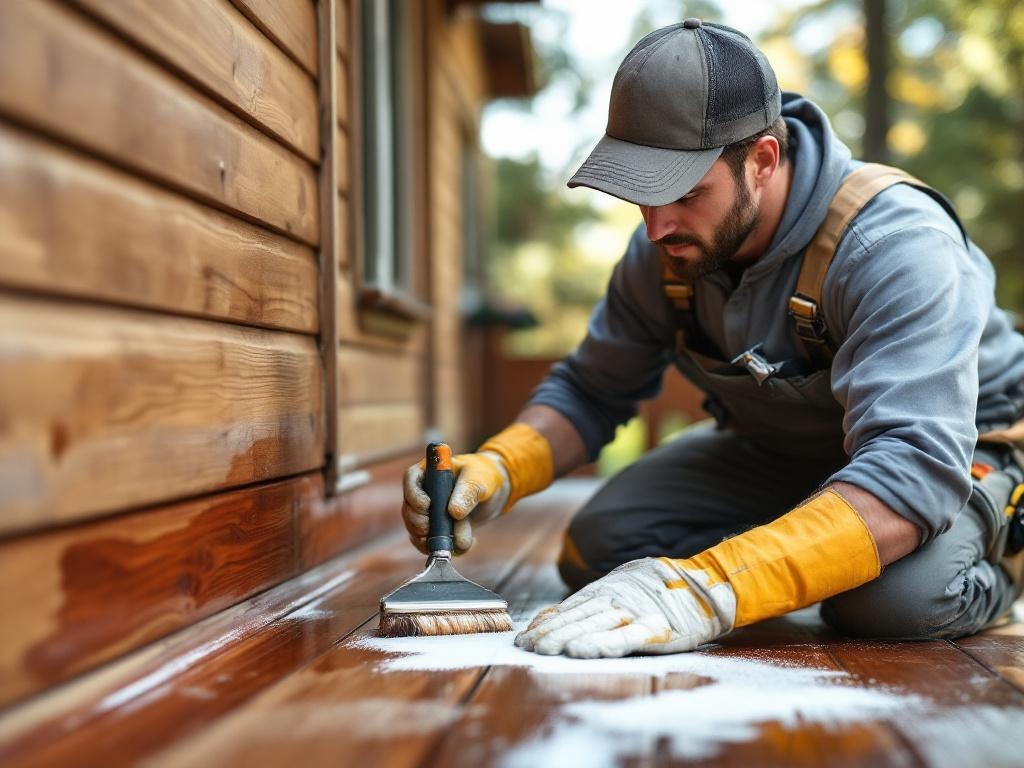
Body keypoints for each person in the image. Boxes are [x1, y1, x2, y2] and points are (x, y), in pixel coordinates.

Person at [402, 19, 1024, 658]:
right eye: (639, 195)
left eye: (684, 192)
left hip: (960, 450)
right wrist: (498, 470)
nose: (655, 228)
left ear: (761, 160)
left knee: (894, 600)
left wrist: (714, 587)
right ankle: (815, 544)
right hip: (785, 455)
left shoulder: (895, 247)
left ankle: (1007, 546)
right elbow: (592, 389)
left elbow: (912, 468)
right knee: (602, 548)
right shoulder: (669, 250)